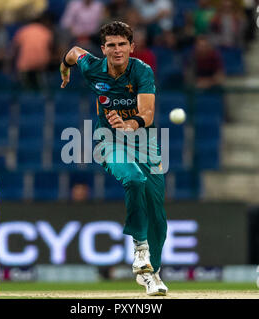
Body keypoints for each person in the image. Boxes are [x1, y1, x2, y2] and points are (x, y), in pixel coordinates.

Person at [59, 21, 168, 296]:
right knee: (133, 178)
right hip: (109, 141)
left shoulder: (142, 71)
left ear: (132, 47)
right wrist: (64, 69)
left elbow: (148, 113)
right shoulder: (92, 66)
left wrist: (129, 124)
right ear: (103, 48)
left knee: (157, 213)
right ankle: (140, 249)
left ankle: (151, 274)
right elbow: (73, 52)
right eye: (111, 45)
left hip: (144, 141)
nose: (117, 50)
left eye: (122, 45)